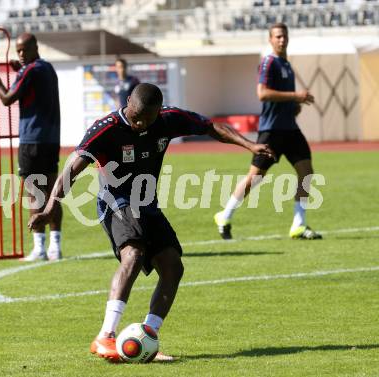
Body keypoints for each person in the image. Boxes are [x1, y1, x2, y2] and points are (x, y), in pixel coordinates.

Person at [28, 83, 273, 362]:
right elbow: (73, 167)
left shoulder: (168, 120)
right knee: (132, 254)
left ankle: (148, 335)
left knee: (172, 266)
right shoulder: (107, 128)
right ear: (128, 102)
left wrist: (250, 144)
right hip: (115, 201)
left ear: (159, 111)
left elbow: (210, 127)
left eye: (147, 118)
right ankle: (105, 336)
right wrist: (50, 207)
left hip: (147, 205)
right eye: (135, 117)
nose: (141, 123)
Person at [214, 22, 322, 241]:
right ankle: (224, 215)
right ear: (270, 40)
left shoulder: (287, 65)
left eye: (284, 36)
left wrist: (294, 106)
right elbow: (262, 94)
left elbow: (282, 98)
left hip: (290, 129)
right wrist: (295, 96)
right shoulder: (268, 62)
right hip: (271, 131)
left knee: (307, 172)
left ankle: (298, 226)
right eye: (278, 36)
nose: (282, 40)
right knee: (255, 178)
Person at [0, 33, 63, 261]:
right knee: (51, 194)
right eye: (18, 50)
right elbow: (30, 87)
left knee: (33, 195)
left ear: (35, 47)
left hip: (31, 139)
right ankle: (55, 246)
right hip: (51, 139)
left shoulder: (29, 70)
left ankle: (39, 248)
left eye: (24, 50)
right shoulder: (47, 68)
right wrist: (17, 70)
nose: (20, 54)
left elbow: (8, 98)